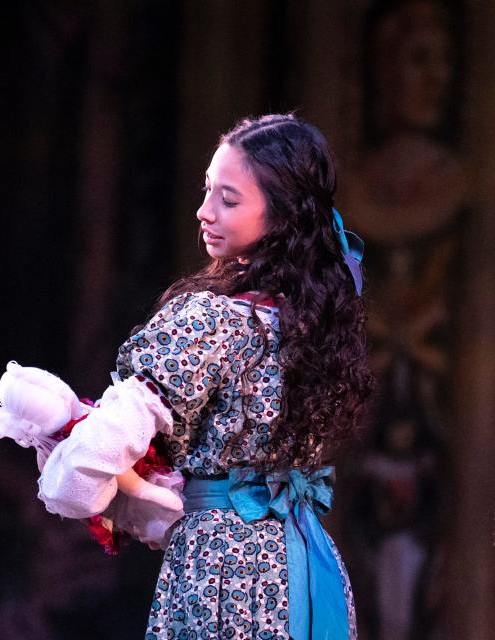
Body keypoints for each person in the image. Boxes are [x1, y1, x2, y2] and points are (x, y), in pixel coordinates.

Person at [31, 114, 372, 639]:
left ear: (282, 217)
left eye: (228, 200)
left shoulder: (208, 321)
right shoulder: (317, 320)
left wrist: (65, 457)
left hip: (223, 572)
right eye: (208, 190)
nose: (204, 211)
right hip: (300, 563)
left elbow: (93, 461)